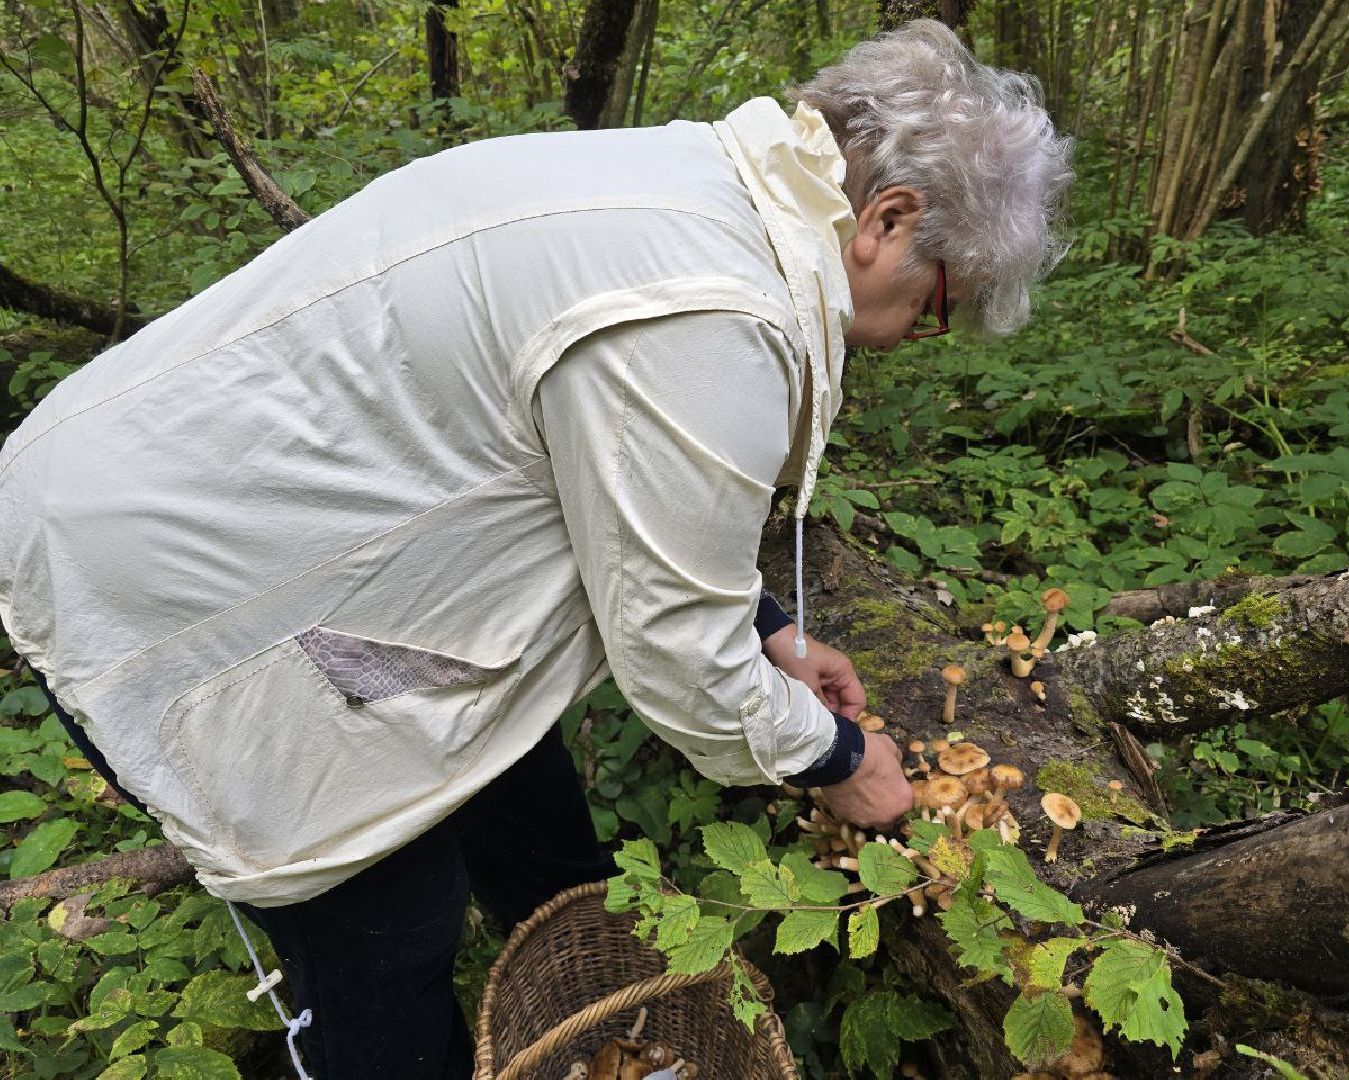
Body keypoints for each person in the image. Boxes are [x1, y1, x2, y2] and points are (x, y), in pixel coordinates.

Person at [0, 19, 1072, 1079]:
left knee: (521, 784)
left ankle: (593, 996)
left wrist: (770, 633)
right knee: (385, 920)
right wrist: (835, 761)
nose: (915, 336)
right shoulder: (710, 306)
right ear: (888, 218)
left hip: (274, 527)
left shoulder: (689, 191)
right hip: (162, 572)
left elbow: (614, 480)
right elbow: (679, 656)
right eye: (938, 306)